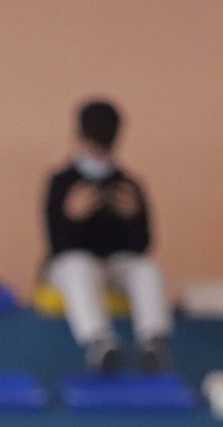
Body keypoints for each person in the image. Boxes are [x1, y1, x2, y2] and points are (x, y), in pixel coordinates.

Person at [44, 99, 172, 374]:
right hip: (70, 265)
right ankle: (100, 342)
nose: (99, 156)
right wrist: (71, 216)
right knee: (78, 266)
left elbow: (143, 246)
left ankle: (153, 342)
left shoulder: (129, 185)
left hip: (114, 264)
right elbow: (57, 246)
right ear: (79, 139)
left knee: (147, 270)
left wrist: (133, 217)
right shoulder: (60, 183)